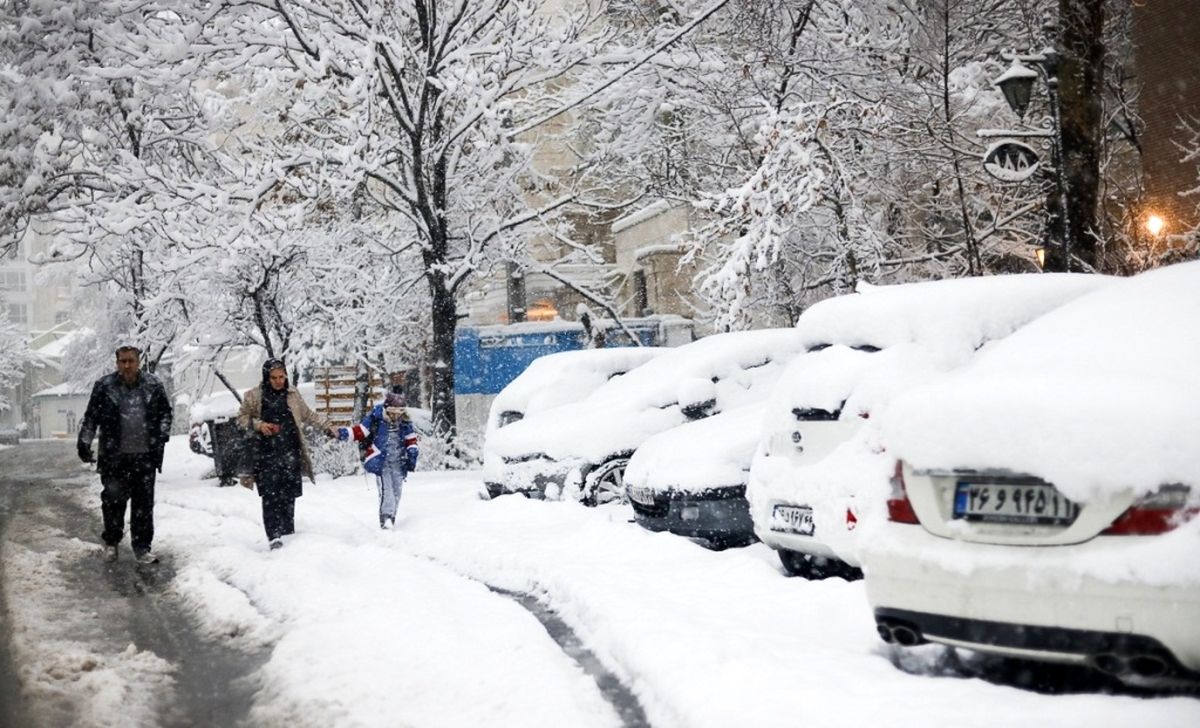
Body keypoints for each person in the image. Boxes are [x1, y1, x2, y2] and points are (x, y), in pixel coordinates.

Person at [77, 346, 173, 564]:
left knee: (143, 505)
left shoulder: (153, 385)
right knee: (113, 501)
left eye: (130, 361)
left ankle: (142, 547)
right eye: (122, 361)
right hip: (114, 456)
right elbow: (91, 416)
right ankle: (112, 542)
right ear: (117, 363)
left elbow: (165, 413)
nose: (127, 365)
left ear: (139, 362)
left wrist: (161, 435)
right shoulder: (104, 386)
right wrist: (84, 441)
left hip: (145, 456)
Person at [237, 359, 336, 550]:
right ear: (266, 378)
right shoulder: (254, 396)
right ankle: (274, 536)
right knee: (270, 496)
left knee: (289, 495)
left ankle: (288, 533)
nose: (278, 381)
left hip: (290, 451)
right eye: (274, 378)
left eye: (282, 377)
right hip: (266, 454)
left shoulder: (292, 394)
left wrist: (327, 426)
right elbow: (241, 418)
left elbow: (308, 415)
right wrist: (259, 425)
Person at [337, 391, 419, 529]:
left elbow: (411, 439)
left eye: (399, 412)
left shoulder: (404, 422)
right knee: (387, 491)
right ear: (387, 409)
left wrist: (412, 451)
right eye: (393, 411)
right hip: (382, 462)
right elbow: (360, 431)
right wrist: (341, 433)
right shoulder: (376, 419)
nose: (396, 415)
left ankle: (392, 517)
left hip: (399, 462)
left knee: (397, 491)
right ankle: (386, 518)